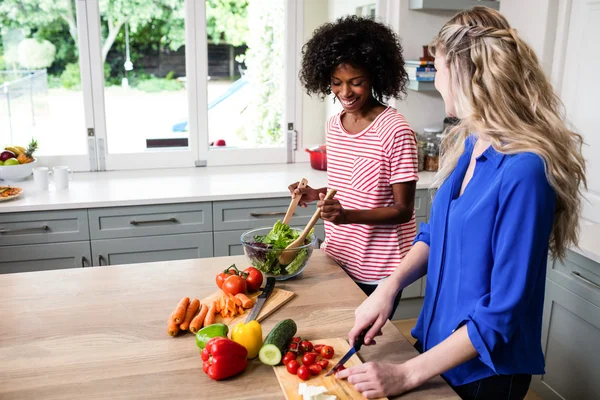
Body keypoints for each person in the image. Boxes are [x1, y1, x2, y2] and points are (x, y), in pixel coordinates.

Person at [337, 6, 587, 400]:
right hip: (437, 347)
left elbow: (503, 311)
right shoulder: (472, 145)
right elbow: (437, 232)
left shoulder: (525, 171)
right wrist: (389, 285)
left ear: (463, 71)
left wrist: (406, 374)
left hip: (484, 373)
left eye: (436, 69)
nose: (435, 80)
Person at [289, 15, 418, 316]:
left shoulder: (395, 129)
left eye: (356, 82)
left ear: (375, 76)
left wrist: (346, 216)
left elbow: (403, 211)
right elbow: (348, 187)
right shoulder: (335, 125)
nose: (345, 92)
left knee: (363, 346)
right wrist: (316, 194)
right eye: (337, 83)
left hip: (379, 267)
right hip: (338, 255)